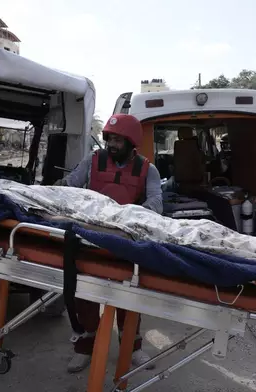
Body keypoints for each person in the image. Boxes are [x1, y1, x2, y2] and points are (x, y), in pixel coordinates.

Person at [56, 113, 163, 373]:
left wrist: (128, 217)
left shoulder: (148, 169)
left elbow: (156, 204)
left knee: (130, 292)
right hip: (90, 235)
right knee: (85, 291)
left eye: (117, 140)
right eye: (109, 139)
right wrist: (59, 190)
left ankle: (132, 347)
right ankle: (85, 345)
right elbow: (71, 186)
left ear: (131, 142)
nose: (111, 144)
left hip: (126, 238)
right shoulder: (92, 160)